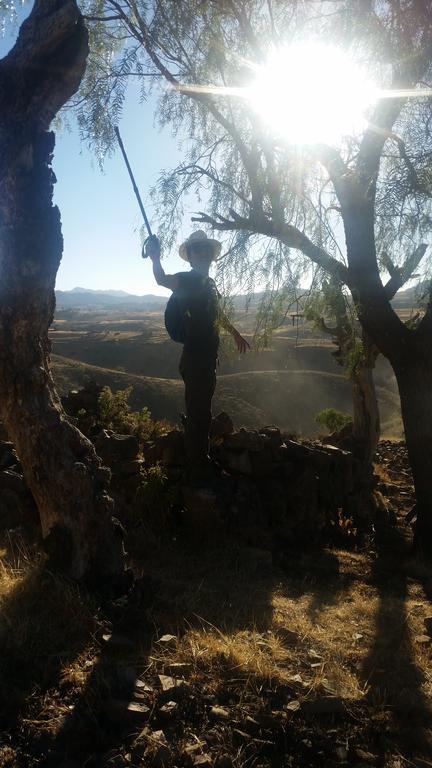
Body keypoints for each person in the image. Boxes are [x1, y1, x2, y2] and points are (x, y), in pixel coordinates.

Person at [144, 229, 250, 487]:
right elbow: (161, 279)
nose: (203, 253)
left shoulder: (208, 285)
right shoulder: (187, 279)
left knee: (201, 410)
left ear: (211, 256)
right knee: (199, 412)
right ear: (190, 257)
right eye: (197, 249)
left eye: (206, 249)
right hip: (195, 357)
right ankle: (198, 470)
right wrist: (155, 257)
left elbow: (216, 315)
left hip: (206, 357)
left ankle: (200, 460)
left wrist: (235, 333)